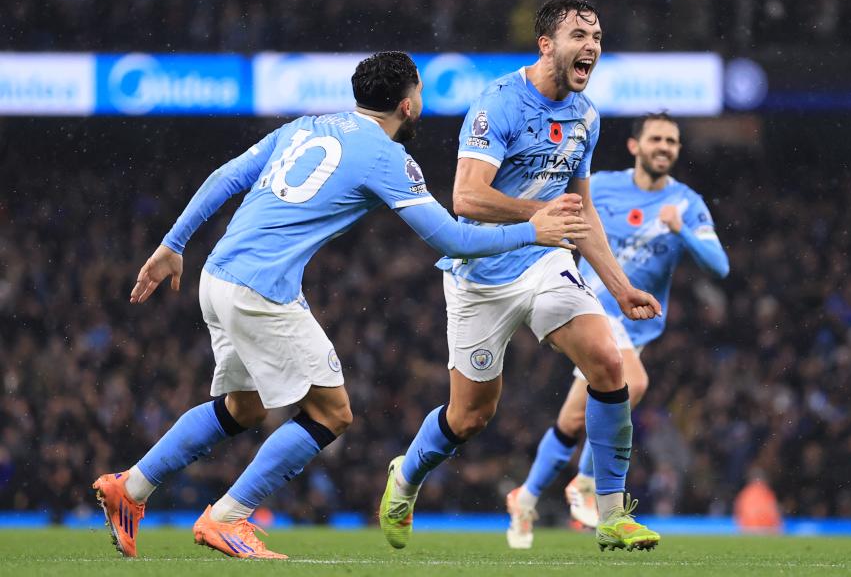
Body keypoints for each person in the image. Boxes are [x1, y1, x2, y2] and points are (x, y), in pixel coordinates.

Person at [91, 51, 589, 560]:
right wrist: (533, 230)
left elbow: (228, 176)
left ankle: (129, 488)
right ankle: (227, 518)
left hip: (217, 276)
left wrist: (173, 245)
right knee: (332, 413)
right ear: (407, 103)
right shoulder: (388, 157)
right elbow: (452, 240)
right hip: (262, 290)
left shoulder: (304, 126)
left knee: (245, 407)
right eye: (420, 93)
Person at [379, 0, 664, 554]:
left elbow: (579, 215)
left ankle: (611, 514)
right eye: (579, 35)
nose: (591, 47)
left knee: (608, 363)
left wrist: (620, 285)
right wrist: (536, 216)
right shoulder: (498, 105)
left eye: (598, 37)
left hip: (546, 263)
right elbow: (465, 197)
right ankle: (406, 475)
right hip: (480, 274)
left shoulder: (587, 115)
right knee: (470, 417)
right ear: (545, 45)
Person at [505, 112, 730, 547]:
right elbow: (555, 211)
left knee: (573, 422)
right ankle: (587, 484)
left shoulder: (685, 204)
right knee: (634, 382)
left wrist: (680, 229)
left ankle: (525, 498)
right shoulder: (602, 186)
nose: (665, 146)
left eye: (672, 141)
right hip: (591, 306)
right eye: (656, 139)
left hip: (636, 329)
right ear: (635, 146)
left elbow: (719, 266)